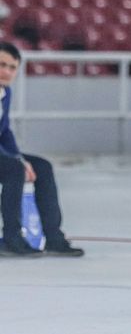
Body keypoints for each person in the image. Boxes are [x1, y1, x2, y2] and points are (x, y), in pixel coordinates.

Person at [0, 42, 84, 258]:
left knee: (42, 167)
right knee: (13, 169)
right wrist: (15, 161)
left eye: (12, 67)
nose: (6, 72)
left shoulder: (4, 93)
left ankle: (54, 238)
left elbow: (5, 132)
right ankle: (11, 237)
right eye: (2, 65)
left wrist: (18, 156)